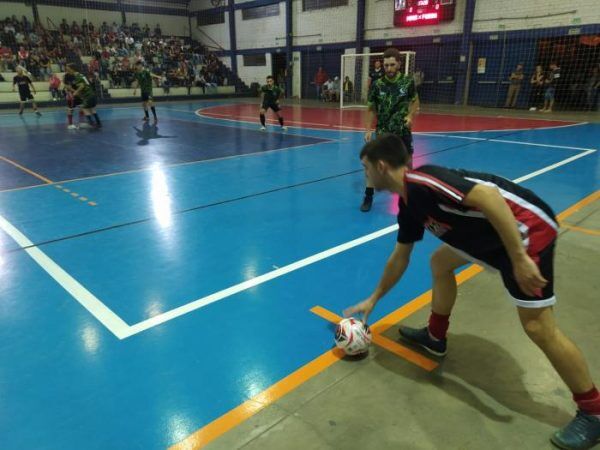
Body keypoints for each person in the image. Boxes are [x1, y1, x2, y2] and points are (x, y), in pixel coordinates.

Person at [345, 133, 600, 450]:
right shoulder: (408, 205)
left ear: (381, 166)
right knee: (440, 263)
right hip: (489, 236)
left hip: (525, 229)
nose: (365, 175)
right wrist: (374, 298)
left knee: (538, 327)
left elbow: (490, 197)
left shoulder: (425, 182)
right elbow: (401, 256)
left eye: (366, 168)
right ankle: (436, 338)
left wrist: (519, 257)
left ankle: (593, 411)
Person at [361, 47, 419, 212]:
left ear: (399, 64)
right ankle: (368, 196)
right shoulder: (378, 85)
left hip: (402, 132)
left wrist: (410, 116)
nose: (389, 68)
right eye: (386, 65)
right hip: (383, 133)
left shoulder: (407, 82)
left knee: (408, 164)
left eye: (392, 65)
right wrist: (368, 130)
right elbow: (371, 109)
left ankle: (412, 196)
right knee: (373, 164)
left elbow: (415, 102)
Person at [65, 63, 102, 128]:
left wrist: (75, 92)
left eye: (68, 69)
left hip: (86, 95)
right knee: (92, 109)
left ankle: (91, 124)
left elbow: (82, 86)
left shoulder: (77, 76)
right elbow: (87, 84)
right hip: (90, 94)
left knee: (85, 109)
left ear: (72, 69)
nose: (67, 70)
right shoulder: (81, 75)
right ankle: (98, 123)